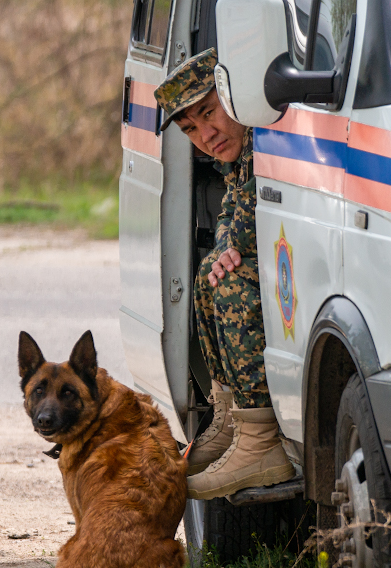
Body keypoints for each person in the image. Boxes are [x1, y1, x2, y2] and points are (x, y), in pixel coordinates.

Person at [154, 48, 295, 500]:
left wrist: (234, 247)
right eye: (190, 128)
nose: (206, 135)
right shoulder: (238, 153)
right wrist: (225, 248)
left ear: (235, 96)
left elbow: (255, 220)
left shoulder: (267, 134)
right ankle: (231, 416)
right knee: (208, 276)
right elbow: (233, 216)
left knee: (230, 285)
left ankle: (260, 442)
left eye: (209, 113)